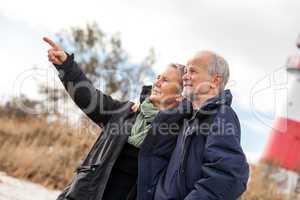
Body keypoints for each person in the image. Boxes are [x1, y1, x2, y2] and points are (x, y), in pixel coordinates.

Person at [43, 37, 186, 200]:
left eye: (165, 80)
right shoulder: (125, 111)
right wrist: (67, 66)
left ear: (180, 96)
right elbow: (89, 98)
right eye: (158, 77)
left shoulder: (179, 134)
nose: (157, 82)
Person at [154, 51, 250, 200]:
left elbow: (228, 176)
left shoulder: (221, 115)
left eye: (192, 71)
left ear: (215, 80)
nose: (185, 76)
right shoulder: (187, 116)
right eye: (185, 71)